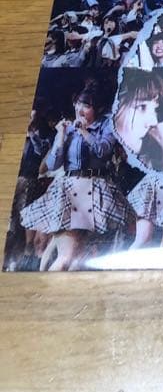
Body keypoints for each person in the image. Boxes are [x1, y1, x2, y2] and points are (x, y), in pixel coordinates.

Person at [19, 82, 129, 270]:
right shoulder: (67, 128)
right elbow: (52, 165)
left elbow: (102, 150)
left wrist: (83, 131)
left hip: (95, 190)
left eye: (86, 105)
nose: (80, 109)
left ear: (97, 109)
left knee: (78, 252)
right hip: (70, 190)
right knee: (67, 253)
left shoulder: (106, 126)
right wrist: (61, 136)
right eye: (78, 104)